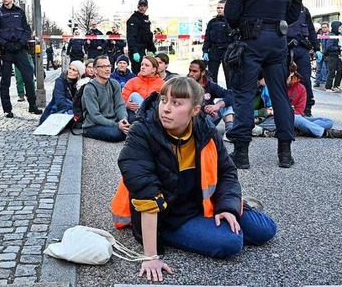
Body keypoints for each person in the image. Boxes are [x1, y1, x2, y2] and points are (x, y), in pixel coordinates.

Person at [118, 77, 276, 282]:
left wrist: (227, 207)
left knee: (266, 230)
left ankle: (216, 218)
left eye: (176, 103)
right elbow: (145, 192)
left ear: (195, 110)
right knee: (231, 242)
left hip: (201, 203)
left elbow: (226, 172)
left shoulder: (205, 130)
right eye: (163, 100)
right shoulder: (142, 132)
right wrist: (151, 256)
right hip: (168, 215)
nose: (165, 108)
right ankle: (182, 232)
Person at [224, 0, 303, 169]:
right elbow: (295, 10)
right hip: (278, 39)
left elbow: (231, 12)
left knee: (244, 95)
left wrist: (244, 26)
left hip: (251, 40)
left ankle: (241, 154)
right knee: (280, 94)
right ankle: (285, 154)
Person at [0, 0, 42, 117]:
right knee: (5, 80)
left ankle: (32, 105)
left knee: (28, 76)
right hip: (6, 51)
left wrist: (21, 43)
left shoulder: (20, 12)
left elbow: (27, 30)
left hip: (19, 49)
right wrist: (5, 44)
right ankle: (7, 109)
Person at [286, 67, 342, 139]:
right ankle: (325, 133)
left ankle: (301, 130)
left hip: (296, 118)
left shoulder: (301, 88)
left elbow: (299, 110)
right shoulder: (276, 85)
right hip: (280, 119)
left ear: (292, 73)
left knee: (328, 121)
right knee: (295, 118)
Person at [81, 55, 130, 142]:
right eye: (103, 67)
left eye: (108, 66)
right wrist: (116, 125)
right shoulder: (90, 88)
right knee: (116, 134)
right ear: (95, 70)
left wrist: (123, 119)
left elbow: (120, 105)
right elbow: (95, 116)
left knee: (133, 118)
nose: (107, 69)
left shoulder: (114, 84)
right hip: (94, 124)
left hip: (113, 119)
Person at [187, 59, 235, 139]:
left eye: (194, 71)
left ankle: (229, 131)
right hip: (191, 119)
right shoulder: (185, 84)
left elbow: (231, 95)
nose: (191, 74)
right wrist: (205, 110)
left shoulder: (210, 85)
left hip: (208, 118)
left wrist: (216, 107)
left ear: (202, 73)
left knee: (224, 102)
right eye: (190, 70)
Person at [286, 6, 320, 116]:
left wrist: (316, 48)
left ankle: (307, 107)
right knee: (282, 78)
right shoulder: (280, 5)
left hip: (301, 48)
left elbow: (310, 30)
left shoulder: (304, 10)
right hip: (284, 46)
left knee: (305, 79)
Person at [38, 60, 85, 125]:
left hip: (70, 110)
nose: (70, 71)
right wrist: (76, 108)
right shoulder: (60, 81)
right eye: (70, 68)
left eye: (74, 70)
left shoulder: (79, 84)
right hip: (56, 110)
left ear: (78, 74)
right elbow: (60, 102)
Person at [121, 55, 165, 123]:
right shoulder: (132, 81)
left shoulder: (162, 84)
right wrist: (126, 105)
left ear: (154, 69)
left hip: (154, 113)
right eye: (142, 65)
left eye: (146, 65)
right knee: (134, 95)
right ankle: (144, 117)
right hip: (135, 113)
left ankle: (145, 117)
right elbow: (122, 100)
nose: (143, 67)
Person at [202, 1, 232, 86]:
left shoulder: (230, 21)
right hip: (214, 50)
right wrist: (205, 51)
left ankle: (230, 95)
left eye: (221, 8)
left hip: (227, 51)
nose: (219, 10)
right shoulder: (212, 22)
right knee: (212, 76)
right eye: (218, 8)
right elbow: (207, 38)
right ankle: (212, 95)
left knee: (229, 75)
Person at [126, 0, 157, 74]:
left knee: (145, 73)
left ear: (147, 7)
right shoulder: (133, 19)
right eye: (141, 5)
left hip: (143, 50)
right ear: (138, 6)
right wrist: (134, 51)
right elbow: (131, 37)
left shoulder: (145, 20)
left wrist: (153, 49)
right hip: (136, 50)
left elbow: (148, 37)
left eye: (144, 6)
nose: (142, 7)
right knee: (138, 73)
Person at [323, 20, 342, 93]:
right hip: (332, 56)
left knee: (340, 71)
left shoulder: (336, 36)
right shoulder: (332, 36)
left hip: (336, 56)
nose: (341, 29)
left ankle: (336, 86)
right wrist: (338, 48)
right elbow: (329, 47)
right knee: (332, 72)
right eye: (340, 27)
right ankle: (328, 87)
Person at [314, 22, 329, 88]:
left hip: (327, 54)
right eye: (323, 27)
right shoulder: (319, 35)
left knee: (328, 68)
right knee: (318, 68)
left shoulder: (330, 35)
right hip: (319, 53)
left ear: (328, 28)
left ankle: (327, 81)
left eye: (325, 27)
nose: (324, 29)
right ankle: (317, 81)